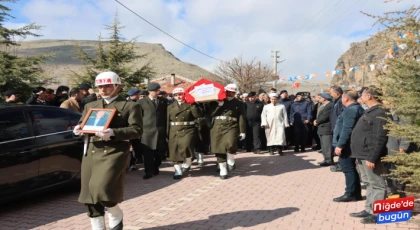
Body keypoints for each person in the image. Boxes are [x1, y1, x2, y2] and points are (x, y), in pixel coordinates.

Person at [73, 71, 143, 230]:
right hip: (91, 151)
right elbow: (82, 124)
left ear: (117, 87)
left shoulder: (130, 105)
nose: (102, 90)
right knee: (89, 196)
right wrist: (78, 130)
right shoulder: (90, 106)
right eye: (100, 87)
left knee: (103, 190)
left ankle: (115, 213)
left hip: (113, 152)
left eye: (107, 86)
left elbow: (137, 130)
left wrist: (114, 133)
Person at [349, 86, 390, 224]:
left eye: (363, 94)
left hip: (370, 156)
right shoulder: (371, 111)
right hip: (362, 154)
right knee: (368, 183)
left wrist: (372, 157)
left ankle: (377, 213)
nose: (361, 96)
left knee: (377, 184)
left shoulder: (380, 113)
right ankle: (369, 209)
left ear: (370, 96)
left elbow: (380, 138)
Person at [204, 83, 246, 179]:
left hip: (231, 125)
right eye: (228, 92)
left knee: (230, 143)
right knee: (219, 149)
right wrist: (219, 105)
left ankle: (230, 157)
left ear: (235, 93)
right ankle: (223, 169)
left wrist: (242, 131)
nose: (230, 94)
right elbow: (211, 114)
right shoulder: (216, 101)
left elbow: (242, 117)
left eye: (232, 92)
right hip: (217, 126)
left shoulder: (239, 103)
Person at [332, 90, 364, 202]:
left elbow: (347, 129)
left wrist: (340, 145)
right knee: (351, 169)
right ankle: (356, 193)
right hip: (351, 143)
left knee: (348, 169)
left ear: (345, 98)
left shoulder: (350, 110)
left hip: (347, 145)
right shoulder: (357, 108)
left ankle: (350, 193)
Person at [167, 88, 202, 179]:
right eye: (176, 95)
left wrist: (193, 104)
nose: (178, 96)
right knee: (175, 150)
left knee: (186, 146)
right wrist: (167, 133)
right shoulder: (170, 107)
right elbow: (167, 121)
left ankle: (188, 161)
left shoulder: (190, 104)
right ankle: (177, 170)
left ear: (184, 94)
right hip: (174, 130)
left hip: (188, 129)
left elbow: (197, 116)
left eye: (180, 94)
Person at [137, 82, 168, 180]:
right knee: (148, 153)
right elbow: (138, 118)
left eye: (158, 90)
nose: (157, 93)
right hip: (147, 131)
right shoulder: (141, 102)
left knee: (159, 153)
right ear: (150, 91)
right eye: (155, 91)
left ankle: (156, 167)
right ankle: (148, 171)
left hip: (160, 131)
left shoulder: (163, 101)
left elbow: (165, 115)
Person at [314, 92, 333, 166]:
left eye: (321, 97)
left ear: (324, 98)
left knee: (327, 145)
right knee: (323, 145)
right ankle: (325, 159)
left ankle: (329, 160)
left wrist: (317, 121)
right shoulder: (323, 105)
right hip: (321, 127)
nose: (320, 99)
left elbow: (325, 116)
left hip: (326, 128)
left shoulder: (329, 105)